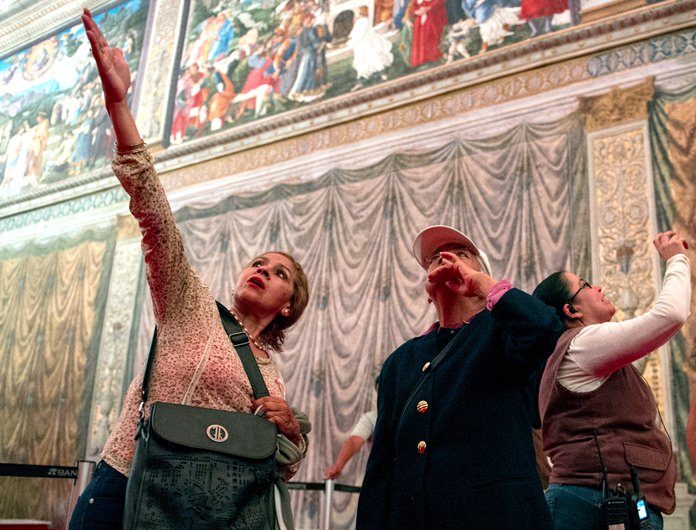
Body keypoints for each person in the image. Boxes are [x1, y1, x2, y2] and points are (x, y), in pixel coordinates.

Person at [69, 10, 311, 529]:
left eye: (280, 273)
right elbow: (154, 212)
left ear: (289, 307)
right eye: (259, 262)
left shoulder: (271, 377)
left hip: (200, 513)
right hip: (125, 484)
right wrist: (118, 104)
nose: (263, 269)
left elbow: (275, 468)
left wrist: (292, 433)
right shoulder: (190, 306)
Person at [357, 225, 564, 529]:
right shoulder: (400, 361)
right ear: (427, 294)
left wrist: (485, 287)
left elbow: (546, 328)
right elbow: (381, 469)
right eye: (433, 259)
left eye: (462, 254)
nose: (444, 258)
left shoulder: (505, 333)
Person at [533, 231, 691, 530]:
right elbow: (671, 314)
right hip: (594, 504)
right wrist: (677, 259)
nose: (599, 287)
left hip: (602, 500)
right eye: (586, 285)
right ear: (571, 310)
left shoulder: (583, 349)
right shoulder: (583, 343)